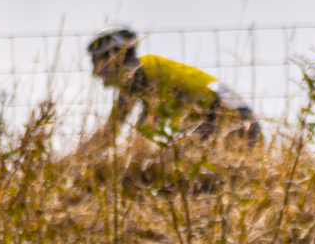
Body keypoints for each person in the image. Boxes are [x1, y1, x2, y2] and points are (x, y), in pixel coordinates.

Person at [78, 27, 261, 156]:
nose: (96, 72)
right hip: (234, 120)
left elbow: (118, 130)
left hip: (229, 122)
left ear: (114, 56)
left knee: (170, 165)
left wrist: (79, 158)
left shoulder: (139, 73)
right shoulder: (147, 68)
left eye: (97, 62)